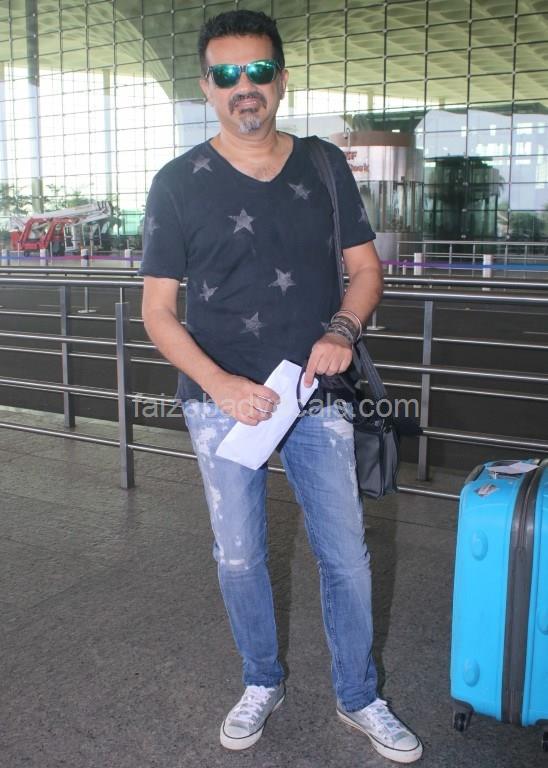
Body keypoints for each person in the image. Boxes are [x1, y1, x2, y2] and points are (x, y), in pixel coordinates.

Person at [140, 10, 422, 764]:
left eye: (258, 71)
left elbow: (365, 270)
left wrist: (342, 331)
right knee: (239, 557)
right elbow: (157, 312)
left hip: (315, 393)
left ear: (282, 80)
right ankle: (262, 680)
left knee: (347, 557)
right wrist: (221, 385)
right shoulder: (177, 184)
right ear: (207, 87)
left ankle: (359, 695)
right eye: (227, 74)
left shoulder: (323, 166)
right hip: (221, 401)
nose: (245, 87)